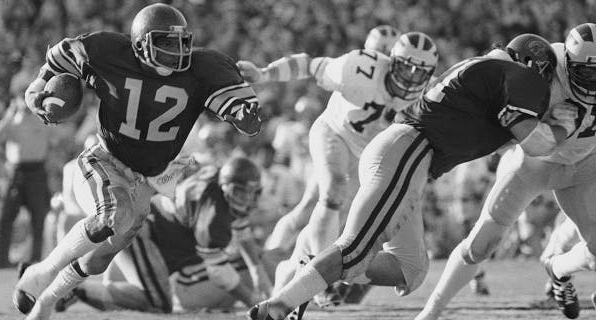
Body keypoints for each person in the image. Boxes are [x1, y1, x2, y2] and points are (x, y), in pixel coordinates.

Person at [248, 33, 570, 320]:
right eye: (544, 73)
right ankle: (278, 306)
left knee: (410, 268)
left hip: (408, 155)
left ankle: (312, 268)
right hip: (409, 150)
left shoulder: (490, 72)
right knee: (354, 249)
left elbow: (502, 133)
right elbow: (535, 142)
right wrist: (562, 126)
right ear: (531, 64)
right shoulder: (513, 74)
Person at [12, 4, 262, 320]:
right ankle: (42, 271)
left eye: (180, 42)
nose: (176, 52)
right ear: (141, 44)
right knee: (114, 214)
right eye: (165, 42)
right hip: (106, 159)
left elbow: (236, 103)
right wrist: (37, 92)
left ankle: (46, 302)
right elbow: (55, 61)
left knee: (97, 261)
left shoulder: (201, 69)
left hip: (147, 179)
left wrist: (242, 113)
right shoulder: (106, 51)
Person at [239, 28, 437, 305]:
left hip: (371, 158)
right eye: (407, 68)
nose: (412, 78)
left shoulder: (429, 95)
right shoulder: (358, 67)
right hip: (335, 133)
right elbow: (309, 64)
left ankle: (295, 265)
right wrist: (263, 73)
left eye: (420, 72)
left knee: (347, 225)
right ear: (391, 61)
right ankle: (319, 284)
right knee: (332, 192)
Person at [415, 23, 596, 320]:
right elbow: (496, 64)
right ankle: (431, 311)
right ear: (570, 64)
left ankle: (556, 269)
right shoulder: (546, 63)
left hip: (586, 162)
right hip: (534, 162)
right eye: (587, 73)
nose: (593, 82)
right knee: (483, 243)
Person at [57, 157, 271, 313]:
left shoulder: (216, 177)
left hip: (156, 237)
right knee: (158, 303)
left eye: (251, 193)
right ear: (226, 187)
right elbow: (220, 273)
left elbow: (242, 230)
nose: (246, 199)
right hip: (145, 236)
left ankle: (79, 288)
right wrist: (252, 300)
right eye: (239, 193)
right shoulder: (214, 212)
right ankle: (78, 290)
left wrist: (256, 270)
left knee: (152, 299)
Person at [0, 82, 56, 269]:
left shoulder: (42, 118)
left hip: (37, 172)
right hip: (16, 172)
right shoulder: (12, 121)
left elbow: (56, 138)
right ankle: (2, 261)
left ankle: (34, 261)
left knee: (38, 219)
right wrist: (10, 115)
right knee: (6, 217)